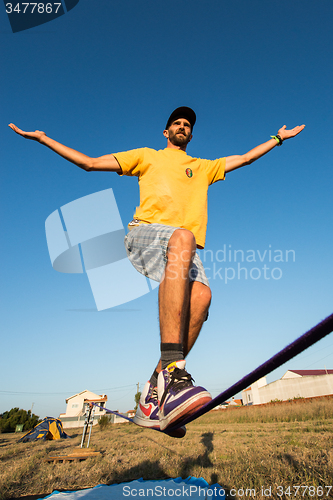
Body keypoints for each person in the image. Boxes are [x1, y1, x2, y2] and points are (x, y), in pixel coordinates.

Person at [8, 108, 305, 438]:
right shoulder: (146, 156)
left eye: (187, 125)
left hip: (180, 247)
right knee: (183, 235)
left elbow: (246, 158)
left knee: (203, 298)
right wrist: (43, 138)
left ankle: (153, 394)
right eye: (177, 123)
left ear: (191, 135)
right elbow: (89, 163)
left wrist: (277, 139)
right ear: (166, 132)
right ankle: (174, 371)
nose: (182, 126)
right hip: (145, 234)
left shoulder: (203, 167)